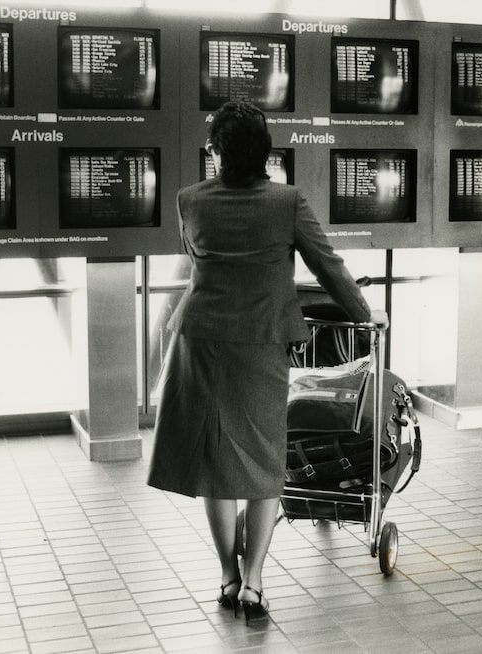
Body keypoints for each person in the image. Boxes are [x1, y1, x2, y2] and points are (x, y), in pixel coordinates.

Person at [147, 100, 385, 622]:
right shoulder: (286, 201)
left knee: (214, 465)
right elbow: (329, 267)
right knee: (263, 462)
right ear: (265, 152)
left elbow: (200, 261)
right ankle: (253, 583)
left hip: (202, 344)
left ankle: (227, 578)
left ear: (216, 152)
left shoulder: (190, 201)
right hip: (260, 346)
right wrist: (368, 316)